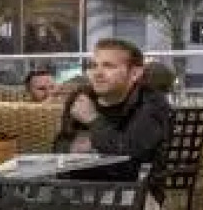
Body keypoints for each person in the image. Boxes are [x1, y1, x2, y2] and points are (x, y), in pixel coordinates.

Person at [54, 38, 173, 184]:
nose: (97, 73)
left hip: (135, 192)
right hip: (79, 188)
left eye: (108, 66)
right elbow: (60, 148)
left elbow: (130, 161)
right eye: (93, 66)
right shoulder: (82, 97)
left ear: (135, 73)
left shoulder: (152, 103)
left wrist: (93, 120)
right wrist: (73, 148)